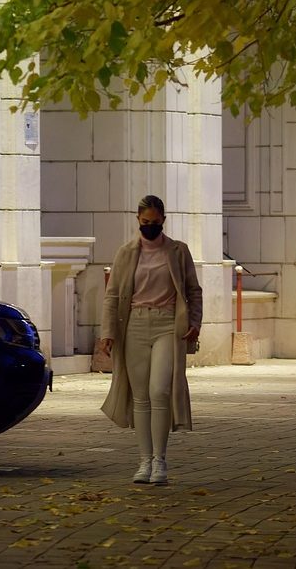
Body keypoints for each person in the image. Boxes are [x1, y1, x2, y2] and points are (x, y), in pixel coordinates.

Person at [97, 195, 202, 485]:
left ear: (163, 221)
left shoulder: (178, 251)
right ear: (138, 221)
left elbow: (194, 291)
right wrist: (107, 333)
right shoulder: (127, 253)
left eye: (155, 223)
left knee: (160, 390)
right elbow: (113, 295)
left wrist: (195, 322)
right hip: (134, 325)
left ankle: (160, 460)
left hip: (169, 324)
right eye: (145, 223)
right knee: (141, 396)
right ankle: (144, 461)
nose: (150, 227)